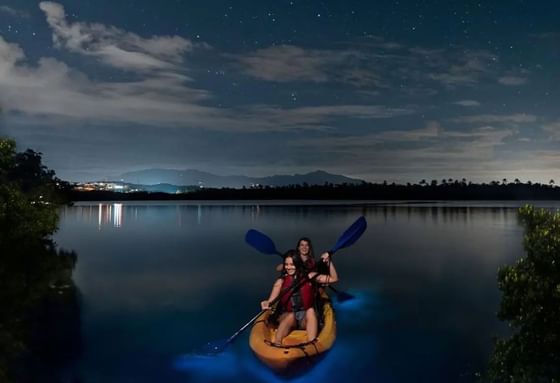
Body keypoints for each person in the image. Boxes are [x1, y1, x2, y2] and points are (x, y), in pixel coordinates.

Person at [260, 249, 338, 345]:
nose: (289, 267)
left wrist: (329, 262)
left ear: (297, 264)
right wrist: (266, 303)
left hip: (305, 319)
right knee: (290, 315)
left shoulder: (310, 276)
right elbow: (270, 301)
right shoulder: (280, 282)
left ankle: (311, 343)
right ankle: (277, 343)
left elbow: (334, 279)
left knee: (310, 311)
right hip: (288, 317)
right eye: (286, 264)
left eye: (292, 264)